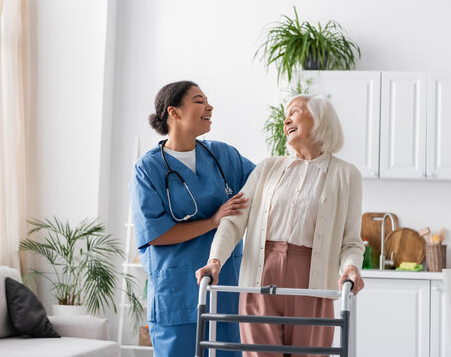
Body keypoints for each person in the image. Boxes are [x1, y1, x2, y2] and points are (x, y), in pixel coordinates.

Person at [196, 94, 365, 357]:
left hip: (312, 283)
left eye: (295, 112)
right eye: (286, 116)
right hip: (260, 277)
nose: (286, 120)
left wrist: (352, 268)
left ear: (320, 119)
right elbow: (235, 220)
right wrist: (215, 260)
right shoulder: (268, 168)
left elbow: (351, 242)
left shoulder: (346, 175)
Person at [130, 81, 255, 356]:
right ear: (173, 112)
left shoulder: (224, 156)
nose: (209, 107)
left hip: (225, 289)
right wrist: (212, 221)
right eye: (199, 101)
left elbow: (265, 185)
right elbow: (156, 234)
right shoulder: (148, 168)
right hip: (177, 293)